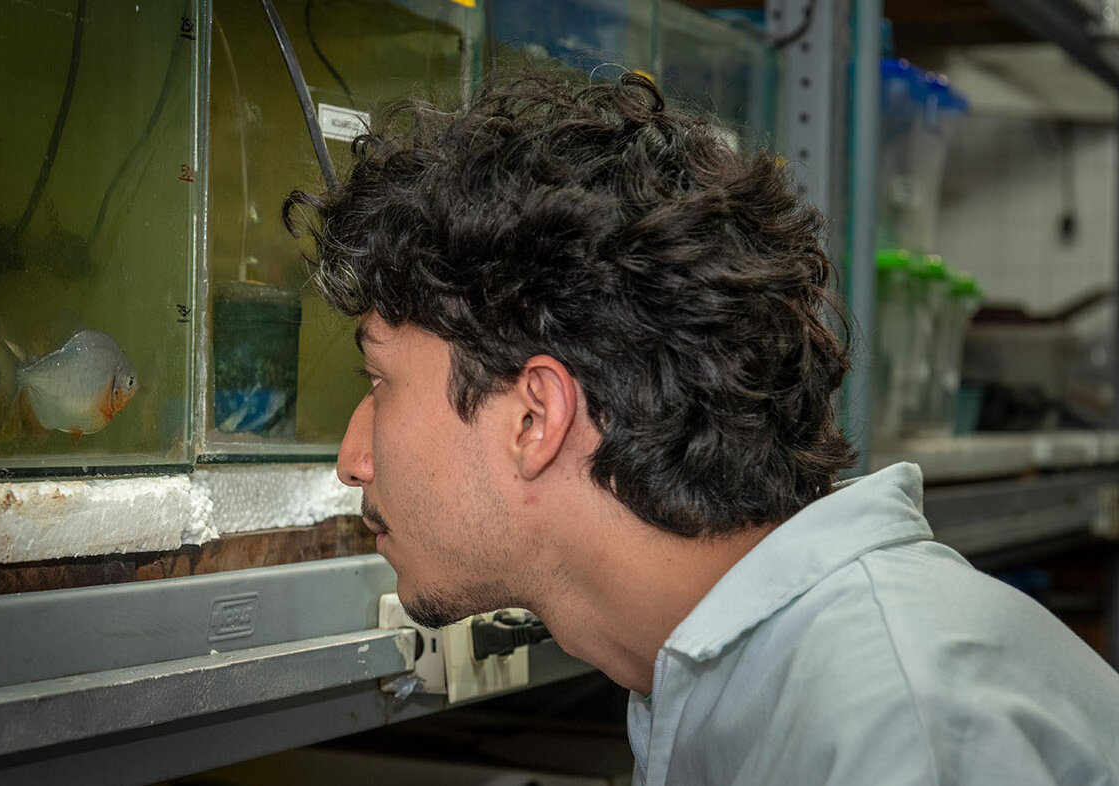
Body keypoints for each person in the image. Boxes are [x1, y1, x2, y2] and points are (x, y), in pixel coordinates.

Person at [284, 70, 1119, 785]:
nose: (353, 459)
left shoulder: (898, 733)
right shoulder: (718, 673)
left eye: (380, 383)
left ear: (535, 417)